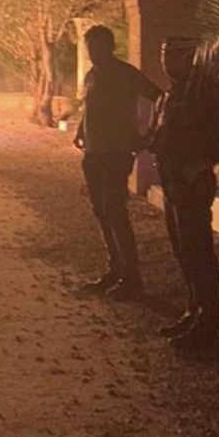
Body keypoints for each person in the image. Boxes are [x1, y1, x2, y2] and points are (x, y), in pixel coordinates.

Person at [149, 38, 219, 349]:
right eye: (162, 55)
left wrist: (205, 160)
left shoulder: (203, 89)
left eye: (171, 56)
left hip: (193, 182)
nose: (166, 62)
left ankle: (207, 324)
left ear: (188, 56)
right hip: (173, 181)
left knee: (198, 252)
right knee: (183, 251)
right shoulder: (172, 91)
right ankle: (194, 310)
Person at [73, 25, 161, 297]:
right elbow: (91, 106)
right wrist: (80, 130)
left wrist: (148, 135)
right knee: (102, 212)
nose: (92, 53)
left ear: (109, 46)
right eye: (89, 48)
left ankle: (131, 276)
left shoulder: (126, 74)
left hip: (116, 154)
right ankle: (115, 269)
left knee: (115, 212)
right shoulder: (92, 75)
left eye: (97, 47)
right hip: (94, 154)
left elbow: (159, 98)